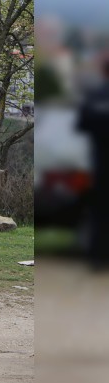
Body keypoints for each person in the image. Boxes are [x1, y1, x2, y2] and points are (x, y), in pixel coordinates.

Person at [77, 57, 109, 271]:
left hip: (100, 164)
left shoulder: (94, 96)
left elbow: (82, 125)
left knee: (100, 213)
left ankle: (97, 260)